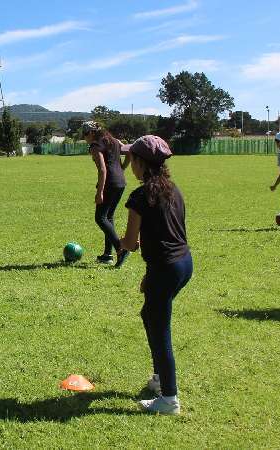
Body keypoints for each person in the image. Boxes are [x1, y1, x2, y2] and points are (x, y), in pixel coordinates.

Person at [118, 135, 192, 415]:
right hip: (183, 263)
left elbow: (129, 242)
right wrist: (152, 276)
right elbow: (167, 234)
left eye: (131, 159)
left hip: (166, 267)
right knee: (150, 315)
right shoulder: (174, 190)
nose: (129, 164)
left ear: (141, 163)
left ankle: (169, 399)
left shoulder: (140, 196)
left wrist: (124, 243)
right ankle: (161, 379)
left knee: (160, 330)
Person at [83, 121, 130, 267]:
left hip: (109, 183)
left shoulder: (95, 146)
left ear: (91, 133)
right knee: (108, 217)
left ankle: (120, 249)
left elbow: (103, 170)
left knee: (100, 218)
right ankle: (107, 255)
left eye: (84, 134)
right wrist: (121, 168)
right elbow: (129, 151)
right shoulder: (114, 140)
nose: (84, 137)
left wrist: (100, 192)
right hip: (120, 182)